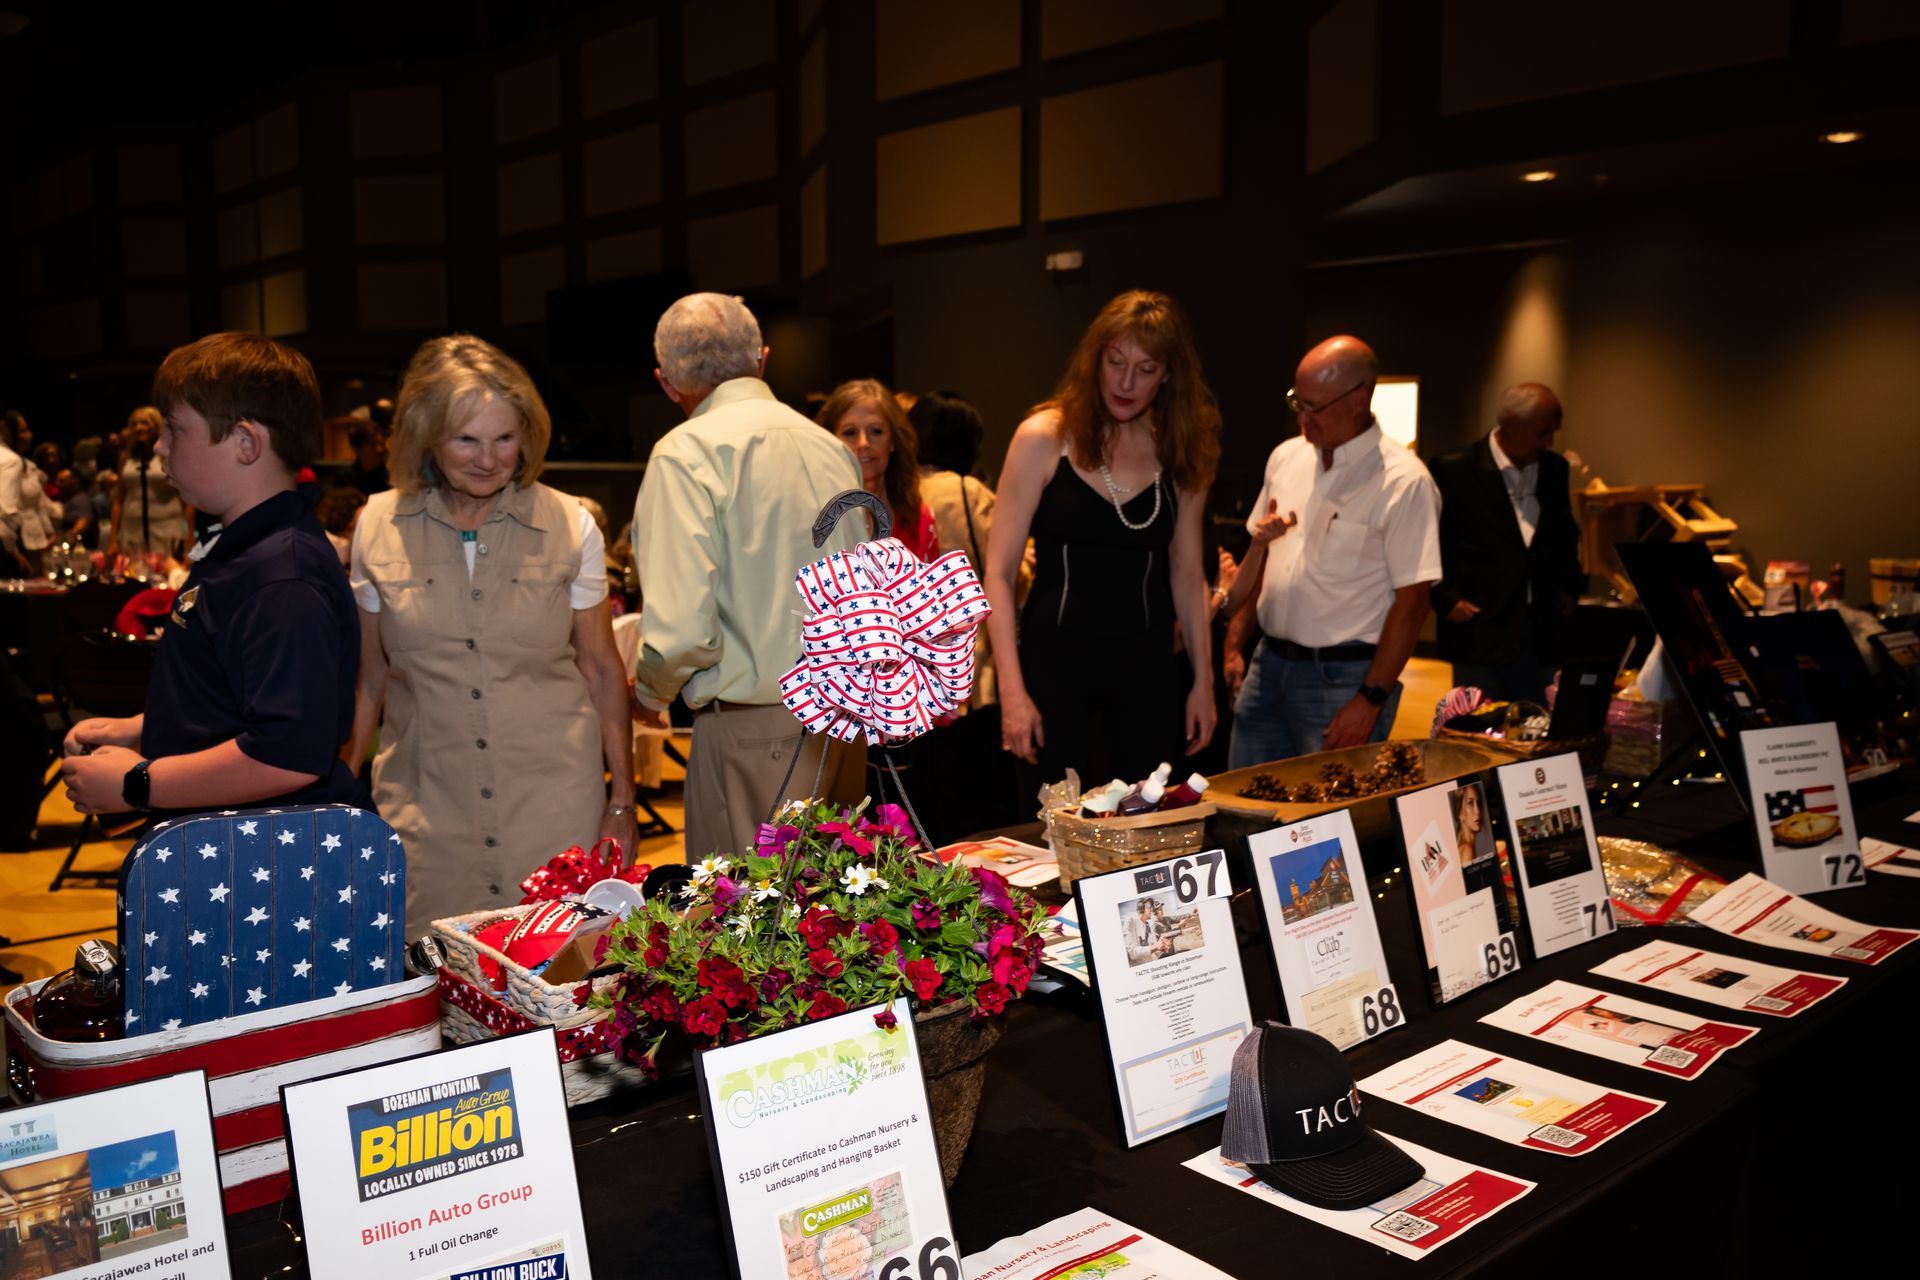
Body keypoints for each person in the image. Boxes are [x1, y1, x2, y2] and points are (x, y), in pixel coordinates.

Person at [346, 335, 636, 935]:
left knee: (559, 977)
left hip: (554, 812)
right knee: (435, 978)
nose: (488, 459)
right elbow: (371, 679)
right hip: (427, 817)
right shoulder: (376, 526)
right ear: (427, 436)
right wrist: (344, 796)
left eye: (504, 439)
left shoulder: (572, 525)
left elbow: (603, 671)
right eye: (466, 440)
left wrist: (622, 804)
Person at [58, 332, 364, 818]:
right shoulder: (242, 548)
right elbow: (234, 699)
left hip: (263, 850)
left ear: (245, 443)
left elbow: (288, 754)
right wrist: (144, 727)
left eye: (175, 429)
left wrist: (139, 783)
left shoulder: (283, 579)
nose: (159, 445)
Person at [630, 293, 867, 863]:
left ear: (667, 384)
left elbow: (682, 631)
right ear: (762, 360)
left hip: (754, 730)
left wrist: (648, 693)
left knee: (743, 909)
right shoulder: (831, 447)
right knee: (837, 903)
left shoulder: (685, 453)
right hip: (848, 718)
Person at [984, 290, 1221, 794]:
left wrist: (1204, 681)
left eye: (1145, 368)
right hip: (1053, 664)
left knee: (1144, 817)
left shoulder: (1183, 450)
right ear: (1095, 359)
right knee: (1052, 820)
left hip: (1147, 666)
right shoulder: (1044, 437)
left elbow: (1187, 574)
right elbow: (998, 574)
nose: (1126, 382)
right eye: (1115, 362)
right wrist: (1012, 692)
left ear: (1168, 375)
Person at [1225, 335, 1441, 767]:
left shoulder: (1404, 481)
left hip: (1343, 679)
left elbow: (1413, 602)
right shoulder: (1286, 458)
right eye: (1297, 403)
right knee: (1242, 797)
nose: (1302, 418)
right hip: (1268, 666)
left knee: (1331, 804)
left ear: (1359, 398)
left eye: (1314, 407)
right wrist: (1235, 642)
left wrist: (1371, 698)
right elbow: (1267, 562)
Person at [1428, 383, 1584, 704]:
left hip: (1541, 629)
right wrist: (1446, 597)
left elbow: (1564, 532)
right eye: (1542, 433)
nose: (1549, 443)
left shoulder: (1554, 468)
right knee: (1480, 723)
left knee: (1537, 723)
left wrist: (1569, 585)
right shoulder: (1455, 468)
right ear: (1512, 424)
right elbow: (1433, 540)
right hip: (1479, 628)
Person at [816, 379, 938, 561]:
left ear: (893, 441)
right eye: (850, 432)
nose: (863, 443)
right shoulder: (816, 520)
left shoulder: (920, 521)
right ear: (830, 441)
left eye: (876, 431)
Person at [109, 405, 192, 559]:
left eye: (144, 423)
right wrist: (113, 538)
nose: (139, 428)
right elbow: (119, 499)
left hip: (167, 531)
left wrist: (189, 537)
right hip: (132, 532)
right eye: (134, 424)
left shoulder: (170, 454)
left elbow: (187, 500)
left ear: (157, 425)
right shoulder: (126, 457)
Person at [0, 410, 29, 574]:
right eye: (22, 430)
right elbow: (6, 511)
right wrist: (12, 550)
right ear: (4, 428)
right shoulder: (10, 460)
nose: (29, 435)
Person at [345, 416, 391, 495]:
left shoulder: (390, 477)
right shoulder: (345, 479)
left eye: (382, 444)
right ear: (356, 448)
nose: (380, 449)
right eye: (372, 444)